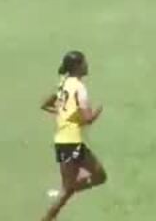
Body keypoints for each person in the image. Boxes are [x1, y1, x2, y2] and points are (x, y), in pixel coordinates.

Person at [38, 50, 107, 221]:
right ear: (77, 66)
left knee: (71, 188)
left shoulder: (63, 84)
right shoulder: (79, 87)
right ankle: (47, 218)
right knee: (98, 176)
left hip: (62, 141)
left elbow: (45, 105)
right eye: (84, 63)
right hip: (72, 141)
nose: (87, 65)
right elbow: (87, 119)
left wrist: (62, 113)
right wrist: (98, 112)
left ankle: (50, 216)